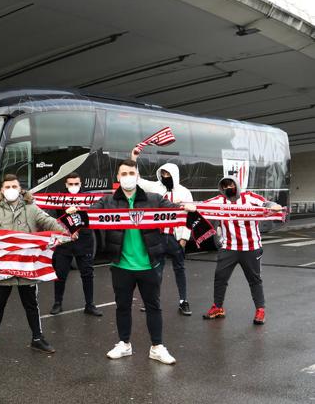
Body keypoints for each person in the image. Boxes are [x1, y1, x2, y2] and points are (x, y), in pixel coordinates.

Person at [69, 160, 195, 365]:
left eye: (131, 172)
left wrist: (187, 207)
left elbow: (174, 209)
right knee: (122, 307)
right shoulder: (108, 201)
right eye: (124, 173)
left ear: (137, 176)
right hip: (121, 266)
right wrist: (77, 211)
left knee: (154, 306)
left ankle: (157, 347)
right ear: (118, 178)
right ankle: (124, 344)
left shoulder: (153, 199)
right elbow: (90, 212)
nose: (128, 176)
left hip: (149, 264)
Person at [0, 174, 67, 354]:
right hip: (2, 269)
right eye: (7, 187)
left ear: (20, 189)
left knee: (31, 304)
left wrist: (66, 232)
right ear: (1, 190)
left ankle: (37, 338)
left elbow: (49, 222)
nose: (10, 190)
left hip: (26, 268)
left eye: (14, 186)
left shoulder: (31, 209)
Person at [201, 176, 282, 325]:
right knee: (220, 277)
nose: (227, 188)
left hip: (250, 247)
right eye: (224, 186)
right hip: (229, 247)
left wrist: (273, 205)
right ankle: (218, 307)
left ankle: (260, 310)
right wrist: (188, 206)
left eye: (230, 184)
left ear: (236, 185)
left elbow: (265, 203)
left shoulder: (249, 197)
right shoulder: (220, 200)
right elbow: (202, 206)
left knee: (254, 280)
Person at [130, 148, 193, 316]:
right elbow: (137, 180)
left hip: (175, 237)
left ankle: (183, 301)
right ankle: (151, 301)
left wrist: (184, 238)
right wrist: (134, 158)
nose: (165, 177)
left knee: (179, 269)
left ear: (174, 176)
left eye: (168, 175)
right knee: (155, 269)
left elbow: (189, 216)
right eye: (162, 174)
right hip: (157, 237)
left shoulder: (185, 192)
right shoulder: (155, 188)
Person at [50, 173, 102, 316]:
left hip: (84, 240)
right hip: (65, 239)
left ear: (80, 184)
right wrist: (70, 228)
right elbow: (59, 218)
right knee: (60, 273)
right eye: (71, 184)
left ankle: (90, 305)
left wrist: (81, 209)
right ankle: (57, 303)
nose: (74, 186)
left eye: (76, 184)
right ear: (66, 185)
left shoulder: (88, 199)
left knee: (87, 273)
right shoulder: (59, 199)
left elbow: (91, 217)